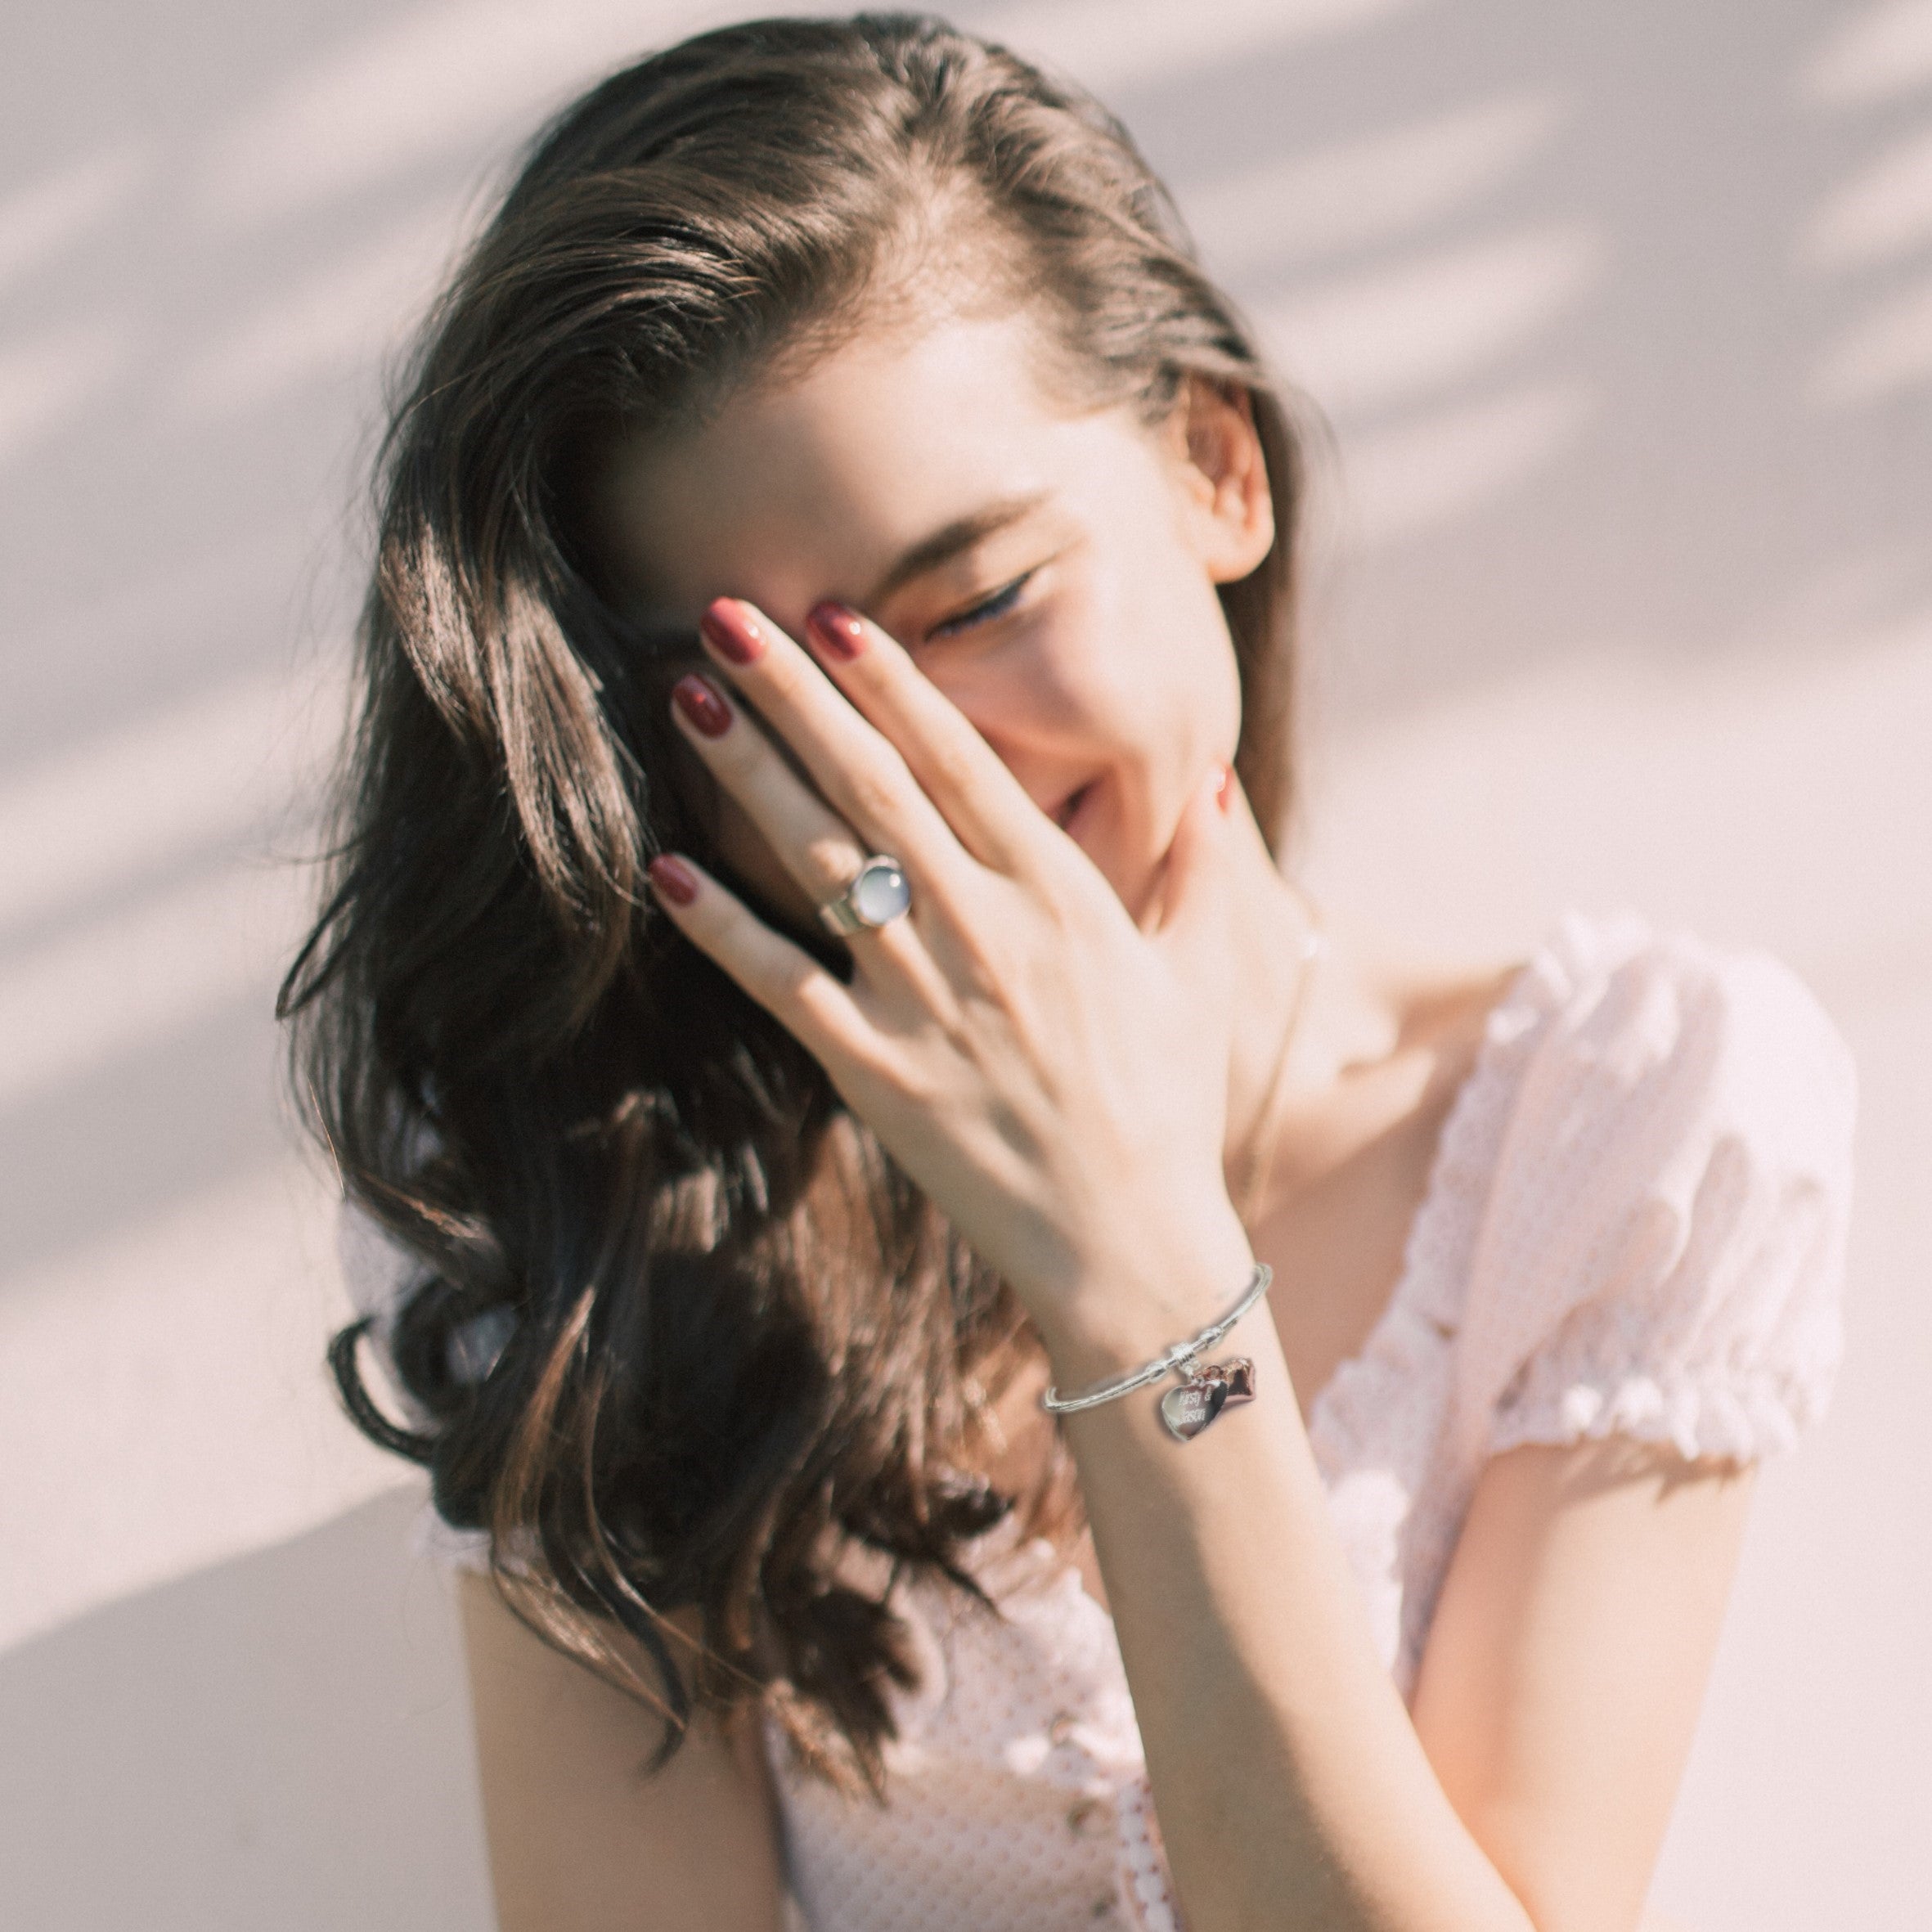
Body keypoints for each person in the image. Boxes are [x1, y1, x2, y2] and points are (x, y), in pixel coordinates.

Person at [281, 15, 1858, 1931]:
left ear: (1214, 467)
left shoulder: (1619, 1120)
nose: (916, 765)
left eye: (976, 602)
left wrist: (1139, 1264)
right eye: (764, 707)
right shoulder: (585, 1195)